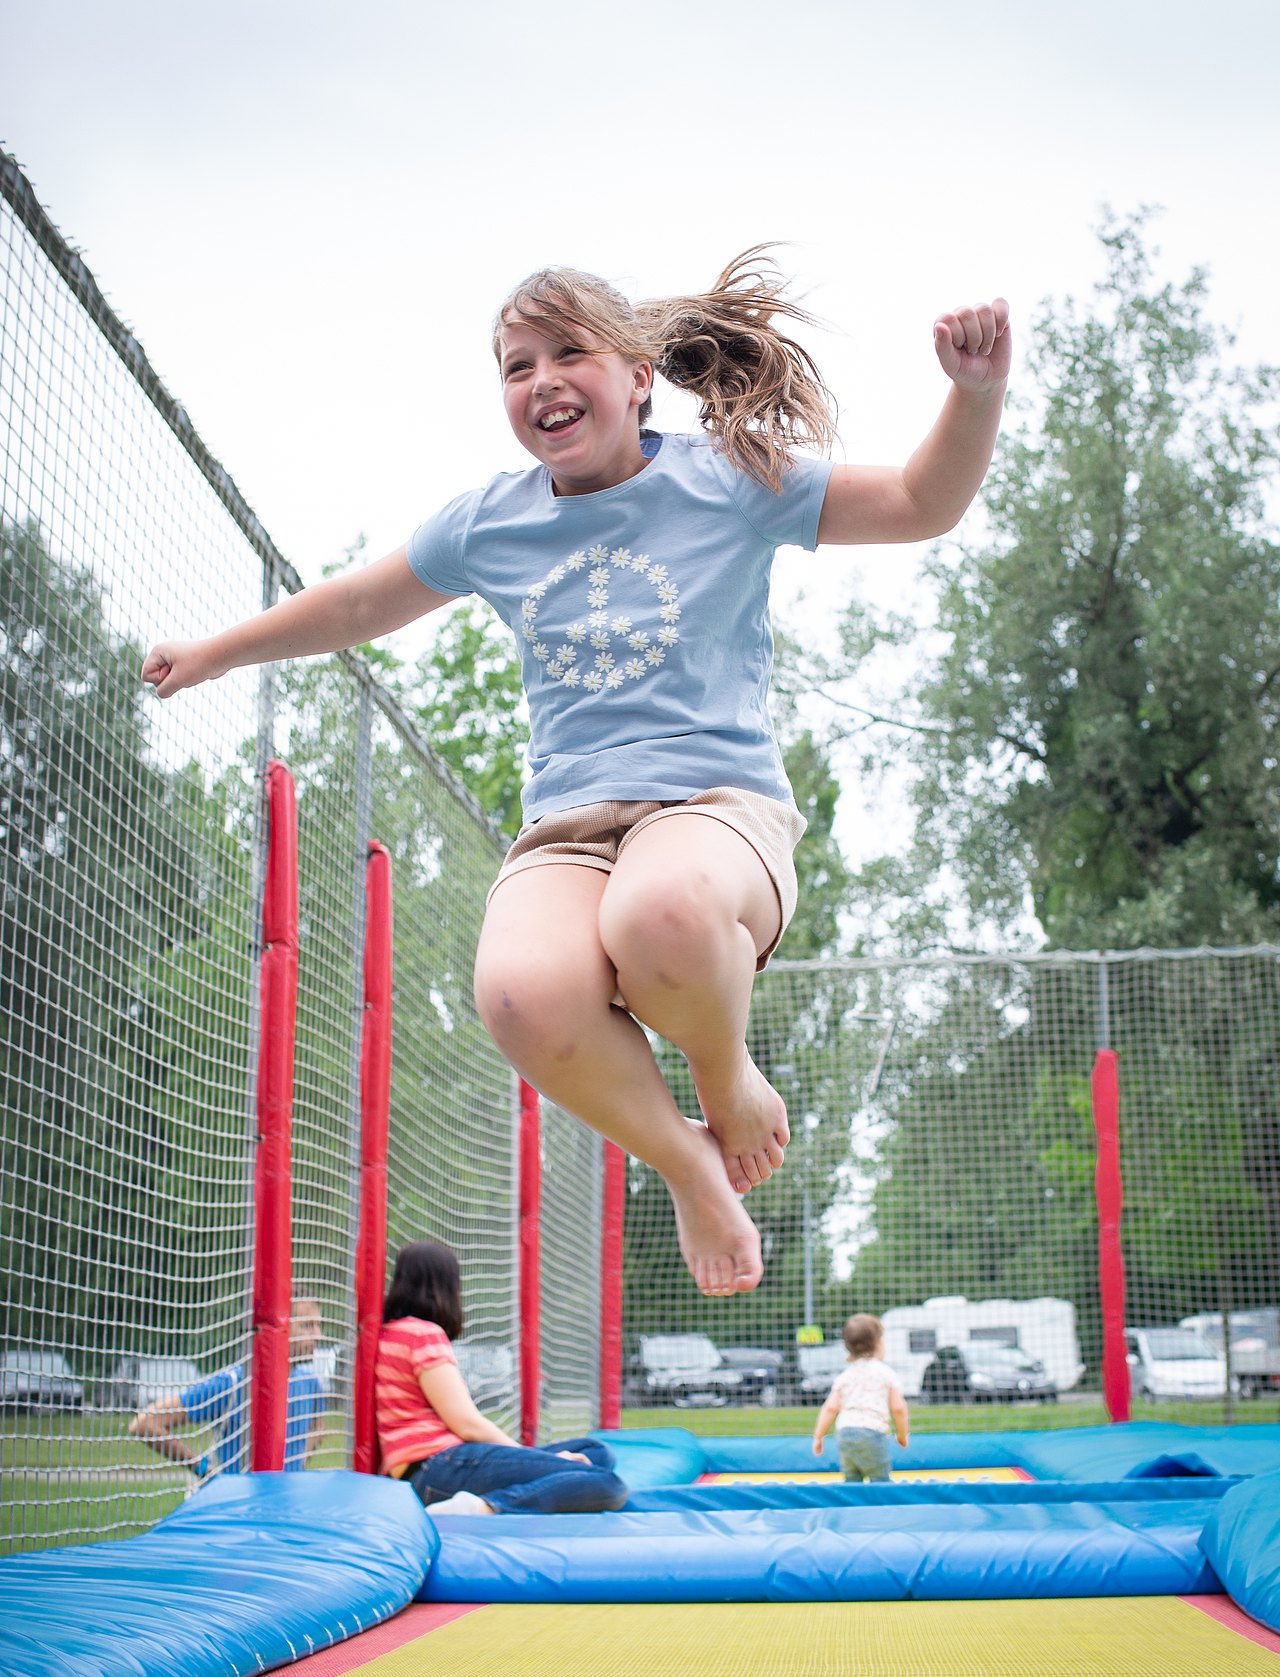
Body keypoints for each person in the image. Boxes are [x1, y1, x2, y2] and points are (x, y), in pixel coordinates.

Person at [142, 250, 1010, 1301]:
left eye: (569, 353)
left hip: (713, 811)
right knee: (516, 992)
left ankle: (723, 1077)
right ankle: (688, 1161)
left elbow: (922, 500)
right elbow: (358, 607)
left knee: (664, 916)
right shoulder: (489, 522)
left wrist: (973, 393)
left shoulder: (729, 479)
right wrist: (213, 652)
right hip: (568, 828)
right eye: (516, 365)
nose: (541, 380)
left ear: (638, 373)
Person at [375, 1237, 627, 1516]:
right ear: (446, 1287)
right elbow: (467, 1424)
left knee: (596, 1452)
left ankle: (519, 1488)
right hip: (437, 1467)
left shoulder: (389, 1334)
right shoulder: (422, 1334)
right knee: (607, 1483)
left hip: (426, 1470)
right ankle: (486, 1507)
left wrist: (541, 1460)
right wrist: (533, 1457)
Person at [130, 1296, 328, 1480]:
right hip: (241, 1509)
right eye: (307, 1326)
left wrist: (297, 1464)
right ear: (280, 1328)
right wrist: (206, 1472)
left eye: (319, 1325)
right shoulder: (233, 1383)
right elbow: (145, 1424)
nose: (318, 1335)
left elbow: (318, 1427)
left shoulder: (310, 1384)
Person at [811, 1313, 909, 1483]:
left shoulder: (845, 1376)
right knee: (880, 1479)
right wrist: (902, 1434)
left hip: (845, 1433)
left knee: (852, 1480)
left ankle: (852, 1508)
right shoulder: (885, 1373)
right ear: (878, 1344)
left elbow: (831, 1408)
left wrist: (818, 1436)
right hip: (872, 1433)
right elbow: (898, 1408)